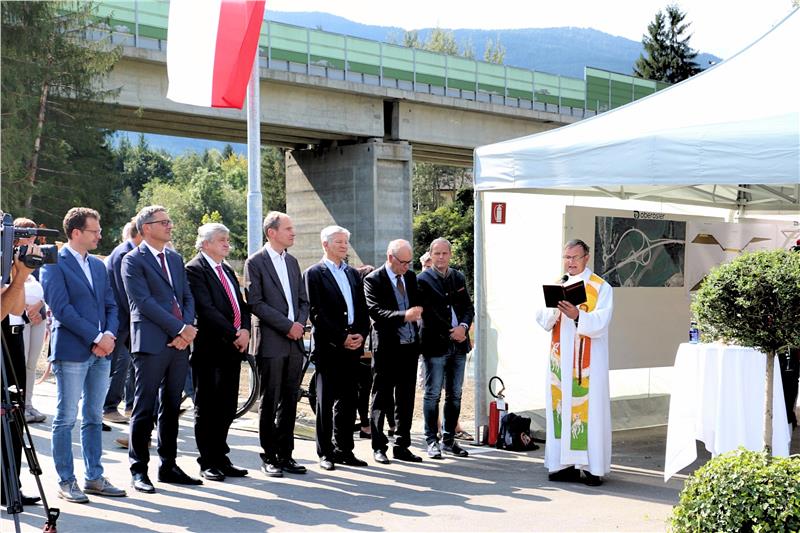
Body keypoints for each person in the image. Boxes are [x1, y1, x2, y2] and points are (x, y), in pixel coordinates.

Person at [41, 207, 128, 503]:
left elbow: (112, 305)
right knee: (66, 418)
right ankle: (66, 480)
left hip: (102, 352)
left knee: (93, 416)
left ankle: (94, 477)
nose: (99, 235)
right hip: (72, 351)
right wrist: (96, 337)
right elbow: (62, 309)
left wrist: (109, 335)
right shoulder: (54, 263)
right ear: (76, 232)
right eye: (95, 231)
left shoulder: (98, 265)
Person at [122, 205, 200, 493]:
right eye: (163, 222)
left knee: (171, 405)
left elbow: (187, 296)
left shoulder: (175, 259)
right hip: (152, 342)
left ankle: (168, 465)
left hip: (179, 344)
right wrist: (180, 329)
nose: (169, 225)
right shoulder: (133, 260)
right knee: (144, 407)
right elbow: (143, 303)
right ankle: (138, 469)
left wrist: (186, 328)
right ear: (146, 228)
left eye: (169, 221)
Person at [535, 239, 613, 486]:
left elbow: (602, 321)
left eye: (574, 257)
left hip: (587, 364)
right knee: (561, 409)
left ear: (586, 258)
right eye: (566, 257)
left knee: (589, 412)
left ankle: (592, 467)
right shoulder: (558, 284)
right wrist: (556, 310)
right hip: (560, 361)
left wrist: (578, 315)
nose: (570, 262)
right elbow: (542, 318)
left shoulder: (600, 287)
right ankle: (563, 465)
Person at [244, 211, 309, 478]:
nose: (293, 233)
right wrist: (287, 326)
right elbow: (255, 303)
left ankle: (286, 454)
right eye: (288, 229)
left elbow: (303, 300)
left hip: (294, 341)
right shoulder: (255, 262)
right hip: (271, 341)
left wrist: (299, 324)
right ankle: (269, 456)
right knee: (270, 399)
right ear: (272, 232)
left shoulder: (292, 261)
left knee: (290, 399)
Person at [185, 223, 251, 481]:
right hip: (210, 348)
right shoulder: (195, 269)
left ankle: (222, 456)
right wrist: (234, 334)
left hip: (232, 349)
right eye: (222, 239)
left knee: (227, 405)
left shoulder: (227, 269)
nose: (227, 244)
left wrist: (245, 330)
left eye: (227, 239)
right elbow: (206, 309)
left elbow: (241, 305)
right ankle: (208, 461)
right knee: (207, 406)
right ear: (206, 243)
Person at [303, 226, 370, 471]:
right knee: (325, 400)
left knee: (349, 400)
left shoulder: (352, 273)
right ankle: (325, 452)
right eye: (338, 242)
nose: (343, 246)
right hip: (330, 346)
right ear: (325, 244)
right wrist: (341, 337)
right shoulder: (314, 273)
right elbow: (316, 312)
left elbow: (362, 308)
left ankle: (345, 449)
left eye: (345, 242)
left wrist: (361, 334)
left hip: (353, 345)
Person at [363, 239, 424, 464]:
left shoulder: (410, 277)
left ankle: (402, 445)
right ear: (390, 258)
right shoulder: (373, 280)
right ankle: (379, 446)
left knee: (406, 398)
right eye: (403, 262)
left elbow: (417, 303)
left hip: (409, 346)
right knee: (381, 397)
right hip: (387, 348)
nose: (407, 267)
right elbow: (375, 312)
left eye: (409, 262)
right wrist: (404, 316)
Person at [417, 238, 474, 459]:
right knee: (432, 394)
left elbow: (468, 307)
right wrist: (452, 331)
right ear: (430, 255)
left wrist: (463, 327)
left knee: (455, 394)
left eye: (444, 253)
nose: (441, 257)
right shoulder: (422, 280)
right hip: (435, 345)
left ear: (450, 254)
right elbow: (428, 314)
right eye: (437, 253)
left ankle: (449, 440)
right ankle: (432, 440)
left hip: (459, 346)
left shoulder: (458, 277)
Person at [1, 235, 43, 507]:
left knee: (13, 413)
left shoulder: (7, 262)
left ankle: (9, 485)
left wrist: (19, 273)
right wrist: (19, 278)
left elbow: (16, 308)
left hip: (13, 338)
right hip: (3, 338)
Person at [102, 219, 142, 424]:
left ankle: (112, 407)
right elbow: (124, 292)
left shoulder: (128, 251)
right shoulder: (124, 254)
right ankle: (103, 409)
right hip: (118, 322)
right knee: (108, 366)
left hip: (123, 321)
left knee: (123, 363)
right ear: (140, 233)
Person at [11, 218, 48, 424]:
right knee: (21, 361)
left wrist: (40, 307)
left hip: (38, 318)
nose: (33, 239)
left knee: (32, 364)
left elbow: (47, 287)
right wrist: (25, 309)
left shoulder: (40, 256)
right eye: (28, 234)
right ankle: (19, 405)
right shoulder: (11, 258)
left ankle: (29, 403)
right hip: (19, 317)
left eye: (34, 234)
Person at [353, 264, 375, 439]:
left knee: (367, 389)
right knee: (363, 389)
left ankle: (368, 424)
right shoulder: (359, 300)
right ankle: (365, 425)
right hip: (361, 351)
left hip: (370, 351)